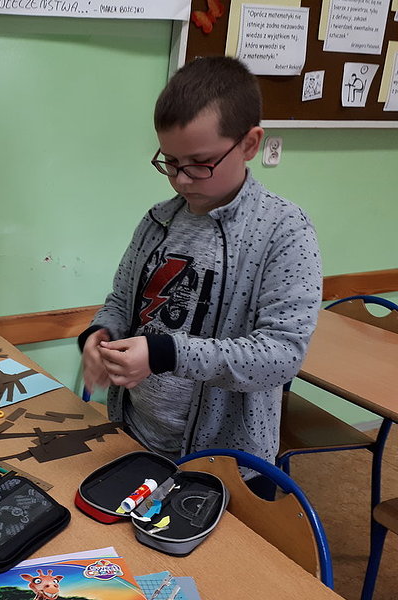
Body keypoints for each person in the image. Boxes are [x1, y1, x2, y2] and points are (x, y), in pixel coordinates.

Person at [78, 56, 322, 465]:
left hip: (224, 460)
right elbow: (121, 301)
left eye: (200, 164)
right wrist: (100, 334)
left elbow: (282, 355)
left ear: (249, 144)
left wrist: (166, 353)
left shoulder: (283, 231)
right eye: (171, 162)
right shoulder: (158, 221)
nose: (181, 179)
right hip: (136, 433)